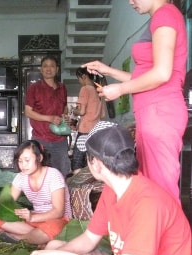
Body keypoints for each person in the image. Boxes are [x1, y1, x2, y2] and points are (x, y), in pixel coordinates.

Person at [24, 122, 192, 255]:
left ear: (95, 163)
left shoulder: (147, 202)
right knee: (54, 247)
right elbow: (88, 239)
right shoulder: (112, 190)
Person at [82, 0, 187, 201]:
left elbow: (162, 74)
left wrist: (120, 89)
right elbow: (145, 77)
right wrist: (108, 70)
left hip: (160, 111)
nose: (131, 1)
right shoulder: (159, 18)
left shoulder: (166, 14)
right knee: (152, 187)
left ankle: (171, 232)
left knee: (161, 190)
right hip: (153, 111)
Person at [0, 140, 72, 246]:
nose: (23, 165)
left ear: (40, 158)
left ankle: (18, 239)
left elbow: (58, 212)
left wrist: (32, 218)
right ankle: (37, 238)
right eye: (20, 161)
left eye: (27, 160)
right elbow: (8, 202)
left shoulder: (53, 175)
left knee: (53, 228)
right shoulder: (21, 177)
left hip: (57, 220)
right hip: (34, 219)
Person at [25, 55, 71, 177]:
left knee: (62, 174)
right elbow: (28, 112)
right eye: (45, 66)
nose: (48, 69)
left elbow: (64, 108)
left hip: (60, 140)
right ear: (41, 69)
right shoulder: (34, 88)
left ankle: (60, 196)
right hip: (41, 138)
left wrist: (65, 116)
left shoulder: (62, 88)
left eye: (52, 66)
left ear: (57, 69)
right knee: (39, 174)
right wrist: (49, 118)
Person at [70, 67, 103, 175]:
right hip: (96, 131)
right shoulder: (98, 91)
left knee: (77, 161)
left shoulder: (85, 89)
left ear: (83, 76)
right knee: (92, 161)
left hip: (85, 131)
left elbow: (81, 111)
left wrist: (74, 111)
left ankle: (78, 188)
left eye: (79, 79)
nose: (79, 82)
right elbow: (102, 114)